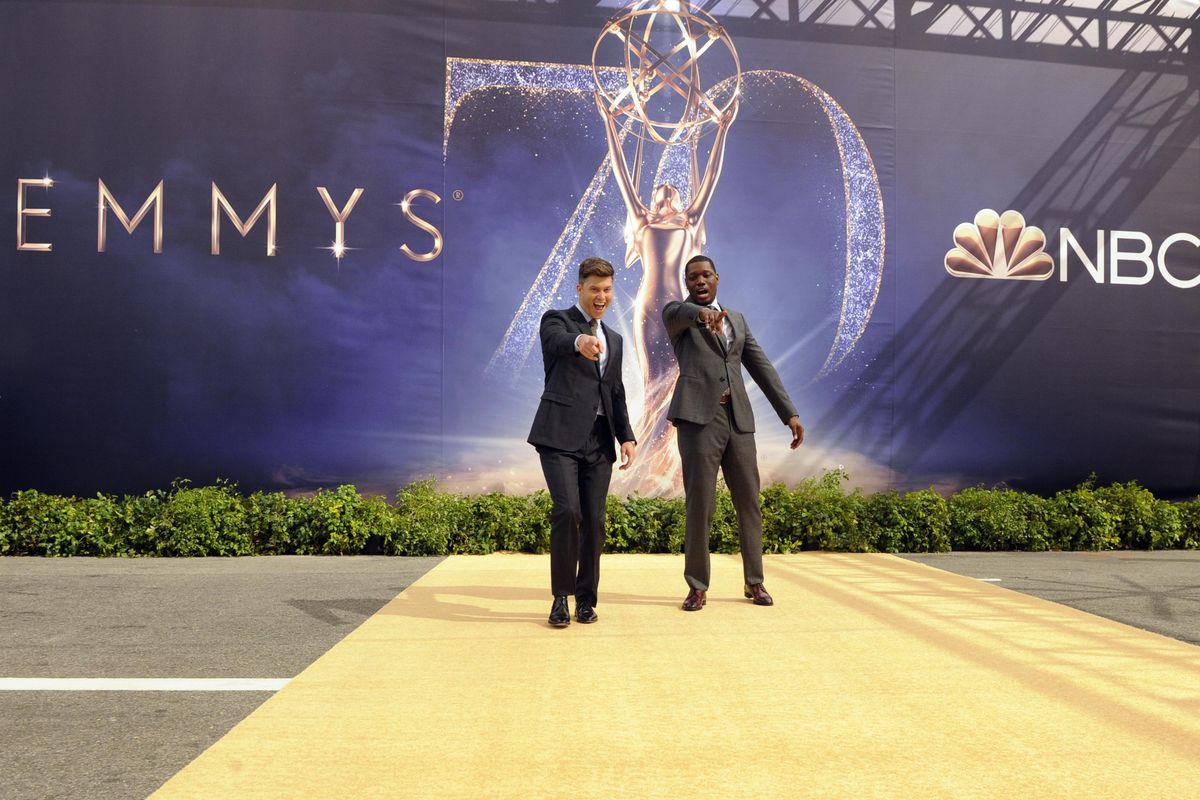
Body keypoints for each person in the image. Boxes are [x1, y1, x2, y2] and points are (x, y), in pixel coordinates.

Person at [662, 254, 805, 611]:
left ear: (717, 278)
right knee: (701, 505)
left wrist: (789, 413)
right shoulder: (679, 316)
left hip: (738, 420)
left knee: (749, 503)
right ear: (687, 283)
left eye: (706, 275)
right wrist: (700, 314)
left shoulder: (738, 320)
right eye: (692, 277)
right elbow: (677, 313)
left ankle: (754, 582)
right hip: (698, 421)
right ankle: (697, 586)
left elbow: (761, 367)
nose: (700, 281)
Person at [528, 257, 638, 627]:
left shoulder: (616, 340)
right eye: (594, 289)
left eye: (607, 290)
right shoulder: (556, 320)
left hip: (598, 443)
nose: (601, 296)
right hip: (559, 436)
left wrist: (626, 436)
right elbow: (557, 343)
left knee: (594, 520)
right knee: (567, 512)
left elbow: (615, 391)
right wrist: (580, 340)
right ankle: (561, 598)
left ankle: (586, 600)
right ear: (580, 289)